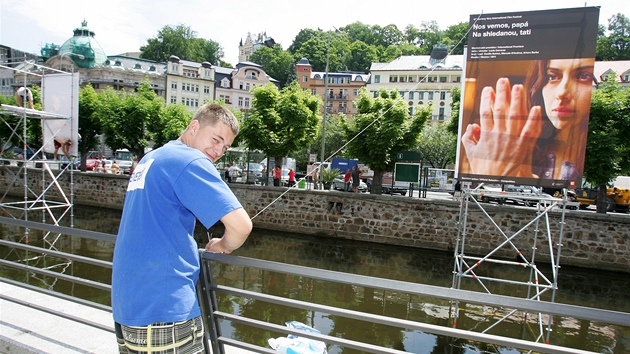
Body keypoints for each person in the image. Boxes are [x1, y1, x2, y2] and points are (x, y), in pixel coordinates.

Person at [111, 103, 253, 354]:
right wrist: (222, 245)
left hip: (128, 306)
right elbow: (241, 226)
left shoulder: (152, 157)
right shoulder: (189, 159)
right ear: (194, 126)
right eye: (216, 139)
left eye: (226, 147)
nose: (219, 150)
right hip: (165, 309)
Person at [462, 58, 594, 182]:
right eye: (552, 76)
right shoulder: (528, 153)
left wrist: (487, 177)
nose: (562, 93)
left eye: (583, 76)